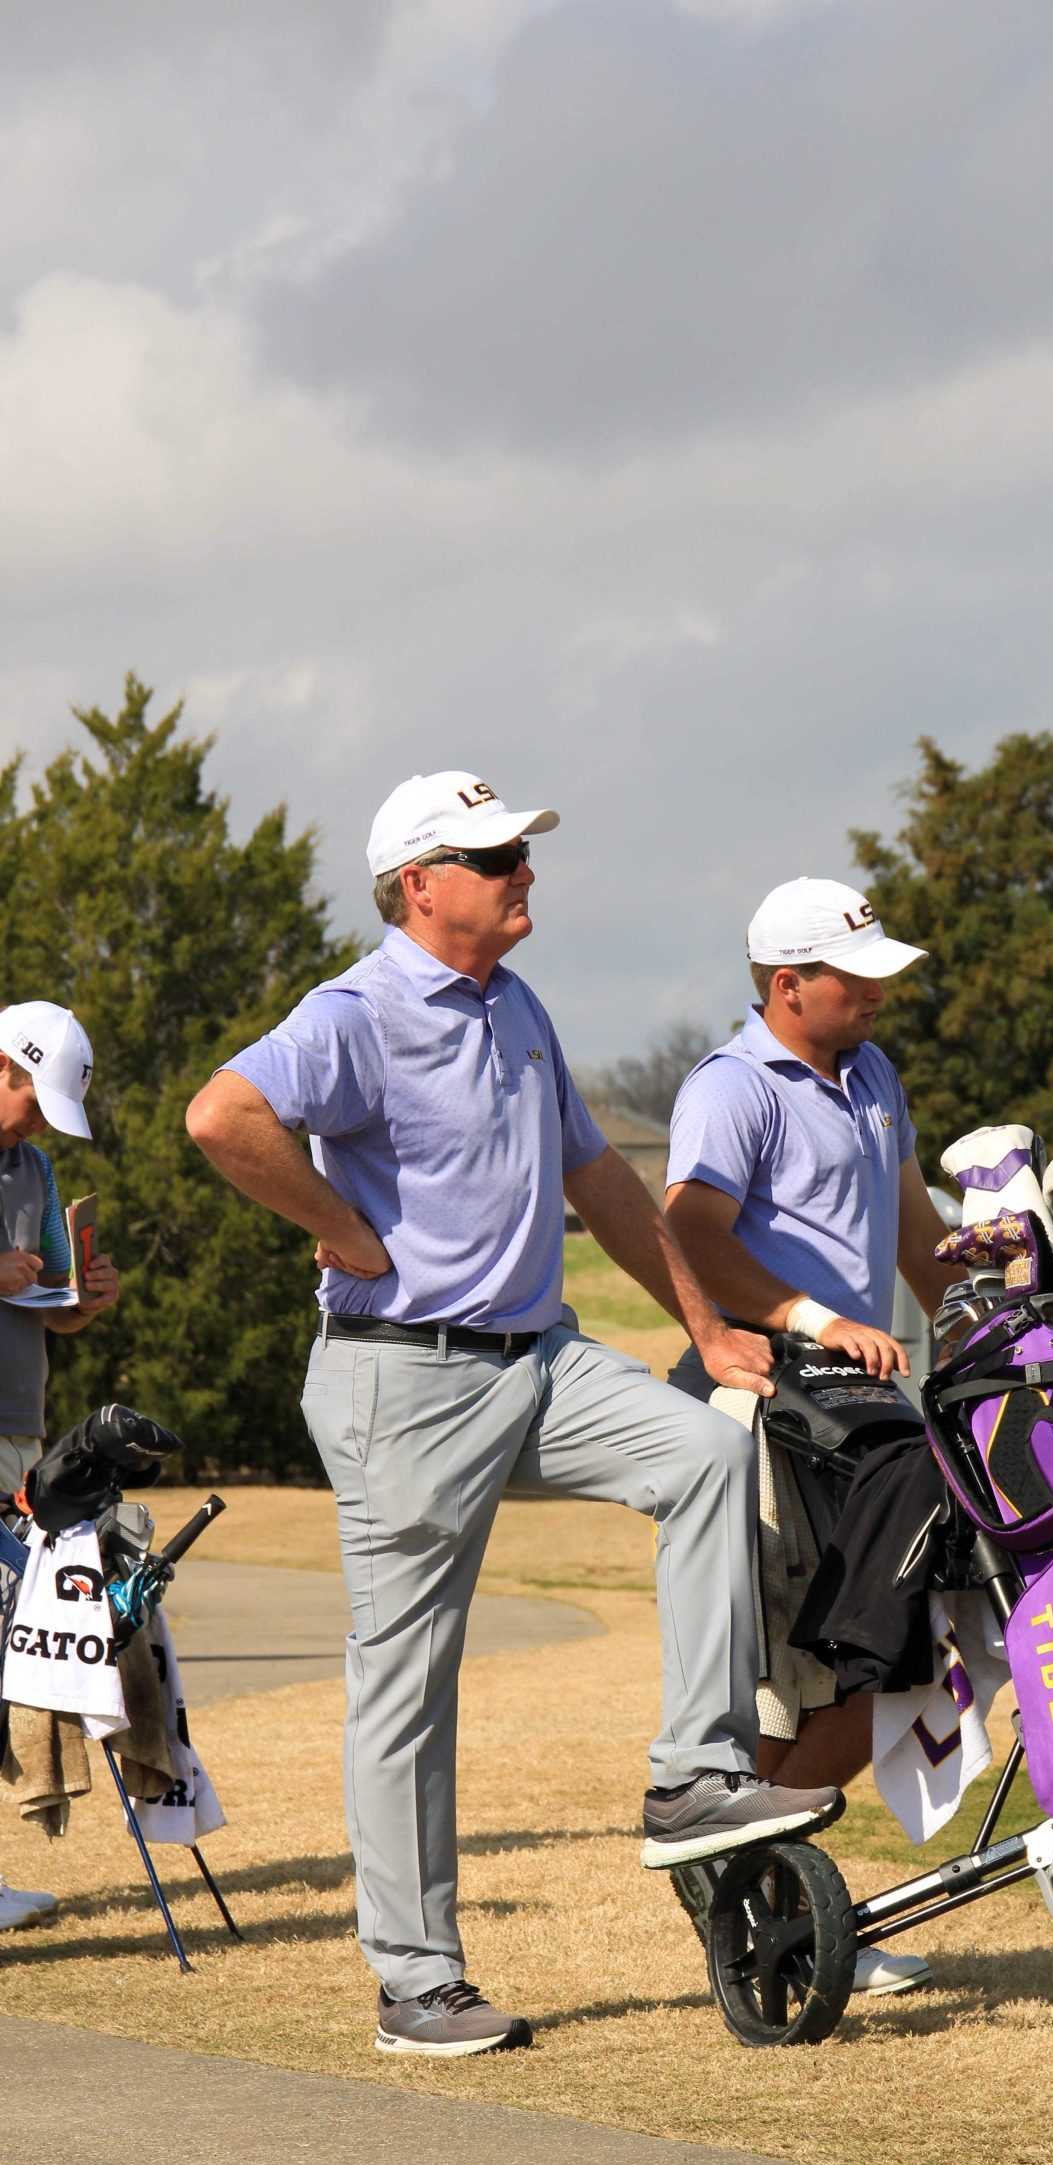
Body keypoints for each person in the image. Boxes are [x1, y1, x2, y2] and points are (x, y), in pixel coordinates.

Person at [185, 770, 839, 2057]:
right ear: (420, 886)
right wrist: (341, 1231)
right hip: (402, 1379)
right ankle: (417, 1982)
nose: (521, 872)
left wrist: (707, 1328)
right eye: (492, 858)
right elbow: (221, 1115)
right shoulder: (357, 1011)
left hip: (539, 1361)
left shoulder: (515, 1001)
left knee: (706, 1448)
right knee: (410, 1687)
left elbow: (597, 1174)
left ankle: (691, 1773)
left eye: (518, 853)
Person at [665, 877, 952, 1990]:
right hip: (762, 1400)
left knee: (871, 1671)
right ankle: (767, 1911)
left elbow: (913, 1228)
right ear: (789, 986)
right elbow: (690, 1234)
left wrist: (976, 1295)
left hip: (861, 1415)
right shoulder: (733, 1087)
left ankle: (784, 1901)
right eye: (857, 973)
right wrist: (812, 1315)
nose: (879, 990)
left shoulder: (873, 1072)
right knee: (787, 1678)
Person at [0, 1000, 122, 1934]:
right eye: (32, 1100)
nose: (39, 1124)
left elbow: (45, 1303)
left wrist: (84, 1299)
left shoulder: (32, 1166)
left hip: (19, 1427)